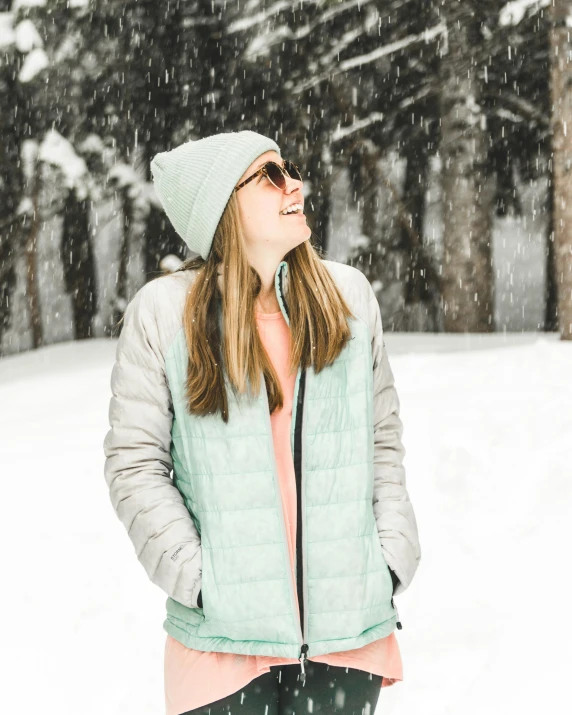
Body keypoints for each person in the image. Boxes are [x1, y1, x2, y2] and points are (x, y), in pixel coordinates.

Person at [103, 130, 421, 715]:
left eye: (289, 168)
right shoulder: (164, 313)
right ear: (221, 206)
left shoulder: (347, 299)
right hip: (221, 644)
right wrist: (200, 581)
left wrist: (390, 558)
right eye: (269, 175)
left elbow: (383, 439)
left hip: (347, 634)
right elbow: (135, 464)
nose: (293, 184)